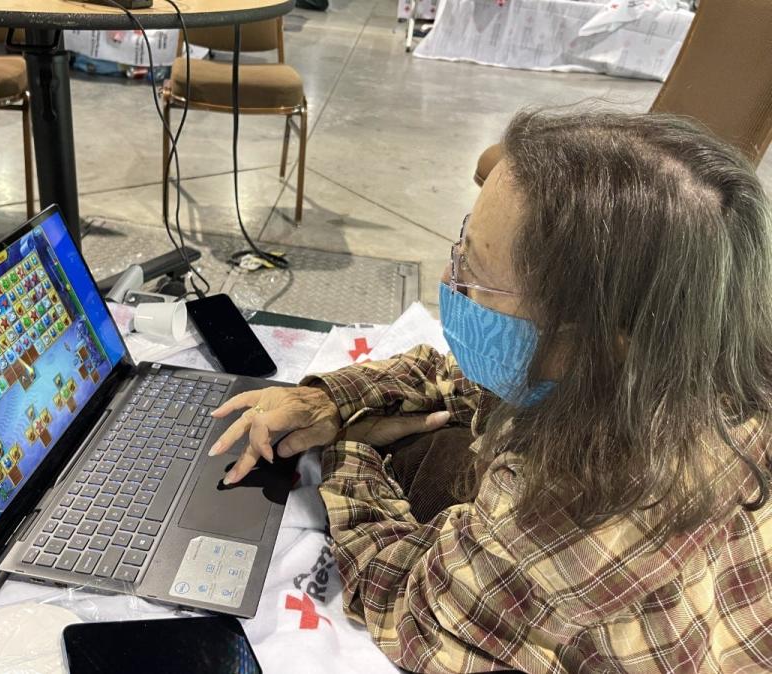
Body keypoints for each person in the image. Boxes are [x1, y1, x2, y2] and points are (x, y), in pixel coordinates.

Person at [209, 109, 772, 672]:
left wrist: (349, 449)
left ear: (592, 337)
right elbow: (466, 378)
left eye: (474, 276)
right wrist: (331, 398)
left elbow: (413, 610)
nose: (453, 287)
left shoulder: (585, 496)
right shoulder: (688, 355)